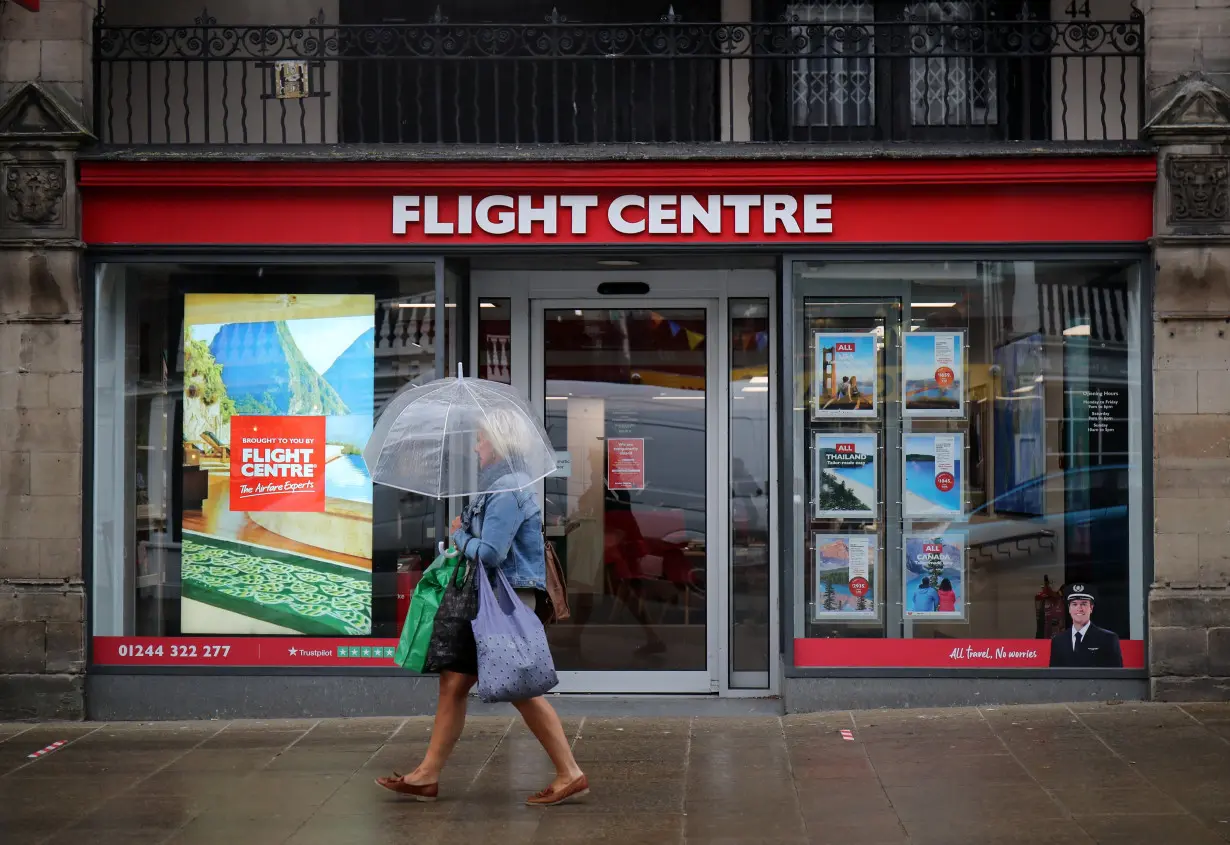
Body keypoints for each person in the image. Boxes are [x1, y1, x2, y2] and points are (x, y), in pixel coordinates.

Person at [377, 409, 588, 806]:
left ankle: (570, 771)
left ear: (499, 443)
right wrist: (470, 524)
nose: (476, 446)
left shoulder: (506, 490)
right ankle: (427, 774)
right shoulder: (500, 487)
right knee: (454, 684)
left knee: (519, 688)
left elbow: (492, 553)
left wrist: (460, 536)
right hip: (488, 600)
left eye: (481, 439)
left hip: (501, 601)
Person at [1049, 583, 1123, 668]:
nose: (1079, 608)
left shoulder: (1108, 639)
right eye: (1074, 604)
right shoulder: (1058, 641)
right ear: (1069, 608)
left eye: (1083, 604)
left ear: (1091, 608)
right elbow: (1054, 677)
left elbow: (1115, 676)